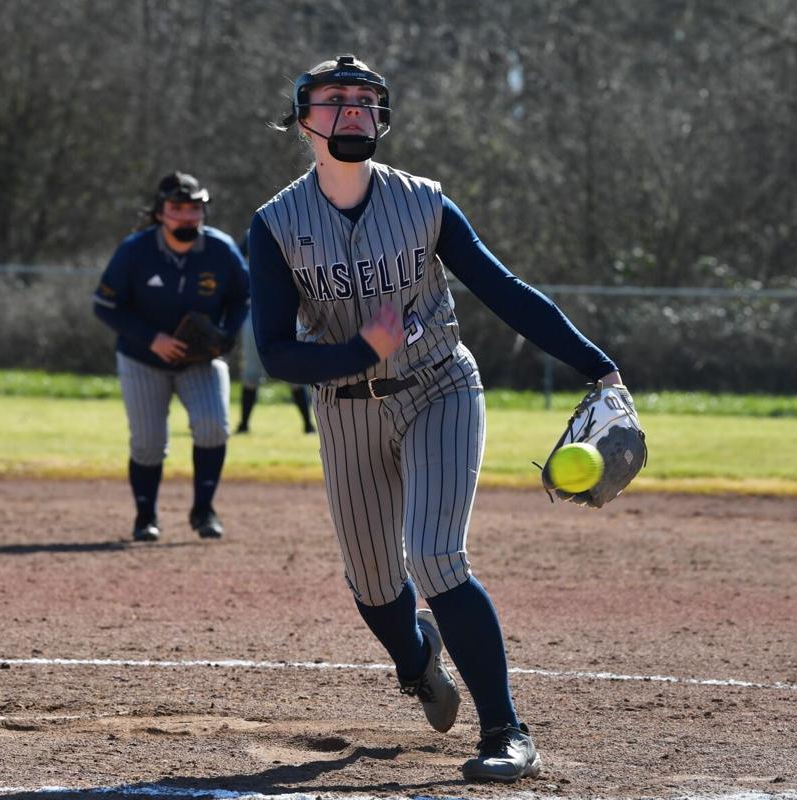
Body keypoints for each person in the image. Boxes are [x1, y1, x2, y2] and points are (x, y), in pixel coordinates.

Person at [247, 55, 625, 783]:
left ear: (381, 117)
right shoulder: (276, 225)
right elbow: (276, 354)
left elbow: (504, 291)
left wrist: (597, 364)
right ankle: (416, 659)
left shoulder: (424, 203)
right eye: (336, 98)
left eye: (366, 99)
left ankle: (506, 732)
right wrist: (359, 350)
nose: (353, 108)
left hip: (440, 389)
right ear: (304, 120)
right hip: (345, 409)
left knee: (435, 555)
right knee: (373, 582)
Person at [93, 172, 250, 542]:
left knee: (213, 425)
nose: (186, 216)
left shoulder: (220, 250)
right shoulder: (135, 250)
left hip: (200, 359)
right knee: (148, 442)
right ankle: (145, 516)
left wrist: (226, 334)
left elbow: (242, 297)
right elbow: (105, 306)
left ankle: (203, 510)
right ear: (160, 213)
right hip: (142, 358)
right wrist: (152, 338)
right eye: (177, 208)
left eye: (194, 208)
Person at [234, 233, 315, 435]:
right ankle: (244, 425)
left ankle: (308, 425)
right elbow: (236, 260)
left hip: (289, 312)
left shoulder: (296, 233)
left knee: (295, 373)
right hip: (256, 314)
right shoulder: (255, 232)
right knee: (251, 373)